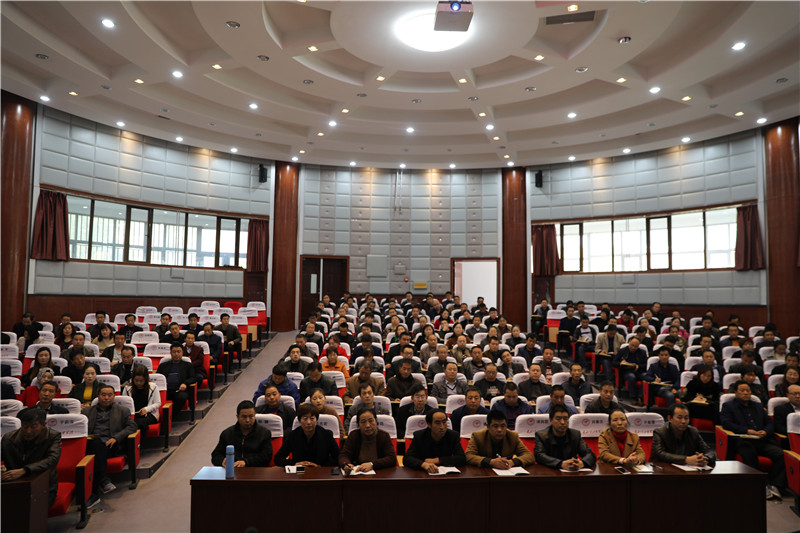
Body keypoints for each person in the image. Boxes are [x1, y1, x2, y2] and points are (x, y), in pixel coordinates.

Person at [721, 380, 786, 499]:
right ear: (735, 392)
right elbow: (726, 423)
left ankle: (775, 485)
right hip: (743, 440)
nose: (746, 393)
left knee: (781, 454)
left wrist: (765, 431)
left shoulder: (758, 406)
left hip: (762, 440)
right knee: (749, 452)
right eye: (742, 391)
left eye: (748, 391)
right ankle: (759, 484)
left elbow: (769, 423)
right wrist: (746, 430)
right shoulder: (729, 406)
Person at [83, 385, 138, 506]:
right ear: (98, 396)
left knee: (96, 450)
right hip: (91, 443)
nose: (106, 398)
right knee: (95, 444)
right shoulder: (87, 411)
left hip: (111, 446)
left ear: (114, 396)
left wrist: (116, 438)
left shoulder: (122, 411)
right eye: (103, 395)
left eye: (109, 395)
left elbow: (132, 426)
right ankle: (103, 480)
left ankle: (94, 492)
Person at [1, 407, 61, 508]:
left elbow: (52, 459)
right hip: (13, 485)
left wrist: (25, 470)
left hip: (43, 487)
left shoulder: (52, 436)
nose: (28, 431)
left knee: (29, 509)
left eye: (33, 427)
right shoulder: (8, 438)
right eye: (25, 426)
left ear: (43, 425)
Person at [534, 404, 596, 470]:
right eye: (558, 419)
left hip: (572, 472)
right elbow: (539, 455)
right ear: (551, 420)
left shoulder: (575, 435)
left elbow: (590, 454)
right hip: (550, 472)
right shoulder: (542, 435)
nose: (563, 422)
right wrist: (560, 464)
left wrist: (581, 463)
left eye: (565, 419)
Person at [274, 403, 340, 467]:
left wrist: (320, 466)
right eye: (305, 418)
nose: (308, 422)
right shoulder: (293, 435)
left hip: (320, 472)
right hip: (299, 472)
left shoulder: (326, 435)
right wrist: (294, 464)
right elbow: (278, 459)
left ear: (316, 419)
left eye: (312, 418)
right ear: (299, 420)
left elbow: (337, 458)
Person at [651, 404, 716, 468]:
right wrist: (686, 459)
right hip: (664, 469)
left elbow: (709, 452)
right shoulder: (660, 432)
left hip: (688, 469)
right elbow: (660, 454)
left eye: (686, 418)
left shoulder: (693, 432)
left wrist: (704, 458)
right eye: (679, 418)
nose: (683, 421)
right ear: (670, 418)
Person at [211, 400, 272, 468]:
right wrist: (222, 460)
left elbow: (266, 457)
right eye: (244, 417)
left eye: (251, 416)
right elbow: (216, 455)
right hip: (233, 470)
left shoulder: (264, 433)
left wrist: (246, 462)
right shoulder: (227, 434)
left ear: (255, 416)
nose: (247, 420)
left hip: (255, 470)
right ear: (237, 417)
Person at [465, 410, 535, 469]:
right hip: (484, 473)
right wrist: (490, 462)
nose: (499, 430)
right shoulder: (478, 436)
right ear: (488, 427)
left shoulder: (512, 436)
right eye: (495, 426)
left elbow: (529, 456)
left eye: (503, 426)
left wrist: (512, 462)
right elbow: (468, 456)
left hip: (506, 473)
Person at [339, 407, 397, 473]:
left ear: (376, 421)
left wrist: (372, 464)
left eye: (371, 421)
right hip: (357, 473)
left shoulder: (384, 436)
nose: (367, 425)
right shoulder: (353, 435)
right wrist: (346, 465)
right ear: (358, 424)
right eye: (363, 422)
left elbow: (391, 458)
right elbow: (344, 455)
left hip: (379, 473)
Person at [157, 343, 197, 413]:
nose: (176, 354)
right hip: (166, 390)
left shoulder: (188, 365)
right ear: (170, 353)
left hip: (179, 391)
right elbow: (158, 378)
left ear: (182, 353)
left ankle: (170, 415)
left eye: (178, 352)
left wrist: (185, 383)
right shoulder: (163, 365)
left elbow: (193, 378)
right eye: (174, 352)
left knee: (182, 397)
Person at [122, 367, 160, 432]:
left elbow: (158, 403)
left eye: (141, 381)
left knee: (140, 423)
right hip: (133, 414)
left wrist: (146, 409)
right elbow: (124, 403)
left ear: (146, 379)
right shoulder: (127, 388)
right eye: (136, 380)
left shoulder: (153, 387)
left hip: (149, 414)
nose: (139, 383)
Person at [613, 337, 648, 406]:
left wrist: (638, 366)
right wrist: (620, 363)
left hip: (639, 371)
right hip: (626, 371)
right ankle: (633, 397)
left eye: (636, 346)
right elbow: (614, 363)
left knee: (646, 377)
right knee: (631, 377)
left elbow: (646, 365)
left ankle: (640, 397)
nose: (633, 348)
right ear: (629, 342)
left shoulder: (642, 352)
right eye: (632, 345)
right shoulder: (622, 351)